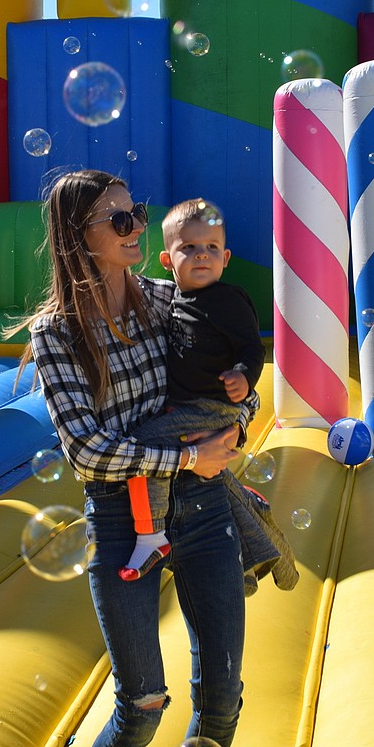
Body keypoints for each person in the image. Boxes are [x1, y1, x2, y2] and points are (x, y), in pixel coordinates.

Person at [11, 170, 255, 747]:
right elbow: (84, 448)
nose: (138, 228)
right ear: (79, 238)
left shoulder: (167, 296)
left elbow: (226, 374)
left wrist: (239, 407)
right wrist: (186, 452)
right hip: (124, 517)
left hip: (202, 505)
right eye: (119, 220)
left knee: (223, 689)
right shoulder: (55, 333)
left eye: (137, 213)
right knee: (142, 701)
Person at [119, 198, 265, 582]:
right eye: (189, 248)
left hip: (210, 405)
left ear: (226, 257)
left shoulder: (228, 300)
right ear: (167, 260)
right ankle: (248, 536)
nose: (202, 256)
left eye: (212, 248)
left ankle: (151, 537)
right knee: (202, 473)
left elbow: (253, 348)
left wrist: (243, 376)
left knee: (143, 445)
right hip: (186, 405)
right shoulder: (173, 298)